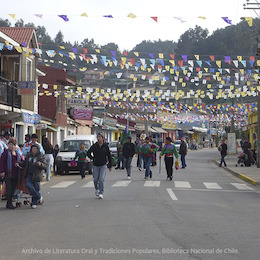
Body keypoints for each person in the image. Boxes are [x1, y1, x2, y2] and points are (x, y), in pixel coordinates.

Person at [19, 144, 47, 208]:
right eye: (33, 149)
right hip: (29, 173)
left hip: (36, 174)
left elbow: (45, 166)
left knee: (36, 188)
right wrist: (19, 163)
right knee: (27, 185)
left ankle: (34, 202)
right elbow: (25, 163)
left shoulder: (41, 156)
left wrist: (40, 164)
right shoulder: (29, 156)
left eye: (36, 149)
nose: (34, 150)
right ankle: (39, 196)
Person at [87, 133, 112, 199]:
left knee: (101, 179)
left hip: (103, 165)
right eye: (98, 137)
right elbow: (88, 153)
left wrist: (110, 165)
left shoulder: (105, 146)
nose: (98, 138)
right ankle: (96, 189)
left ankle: (101, 192)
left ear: (103, 138)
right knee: (95, 179)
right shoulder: (94, 146)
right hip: (95, 165)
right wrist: (92, 158)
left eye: (100, 137)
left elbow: (109, 156)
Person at [0, 138, 22, 209]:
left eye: (12, 145)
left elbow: (21, 161)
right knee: (9, 189)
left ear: (15, 146)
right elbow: (1, 163)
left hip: (15, 174)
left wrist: (18, 163)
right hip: (7, 174)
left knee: (12, 189)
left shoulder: (17, 154)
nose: (11, 146)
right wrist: (2, 171)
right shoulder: (5, 153)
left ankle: (9, 203)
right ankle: (9, 204)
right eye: (9, 145)